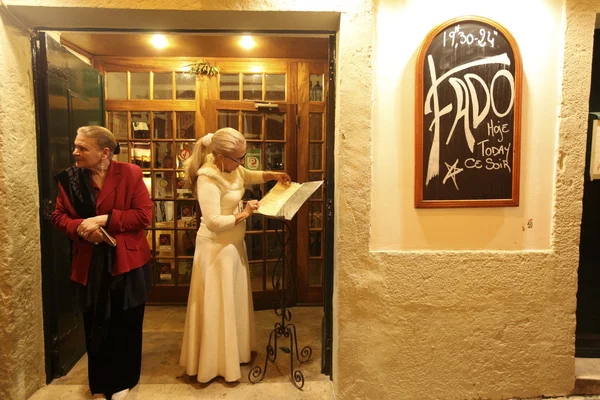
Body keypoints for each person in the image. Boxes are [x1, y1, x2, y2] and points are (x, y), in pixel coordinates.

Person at [179, 127, 291, 383]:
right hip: (215, 249)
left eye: (243, 157)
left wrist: (272, 175)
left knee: (231, 302)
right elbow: (215, 221)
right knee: (217, 304)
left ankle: (235, 353)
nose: (241, 162)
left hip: (233, 245)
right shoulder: (207, 178)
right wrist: (246, 213)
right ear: (219, 156)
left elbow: (247, 175)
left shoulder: (233, 168)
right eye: (237, 158)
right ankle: (213, 364)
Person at [51, 126, 153, 400]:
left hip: (127, 262)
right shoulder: (70, 179)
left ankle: (123, 380)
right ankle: (99, 385)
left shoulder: (130, 173)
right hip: (89, 263)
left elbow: (144, 216)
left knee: (125, 323)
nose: (75, 152)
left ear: (105, 153)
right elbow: (58, 217)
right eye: (76, 145)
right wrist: (82, 228)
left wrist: (106, 220)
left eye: (82, 148)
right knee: (94, 322)